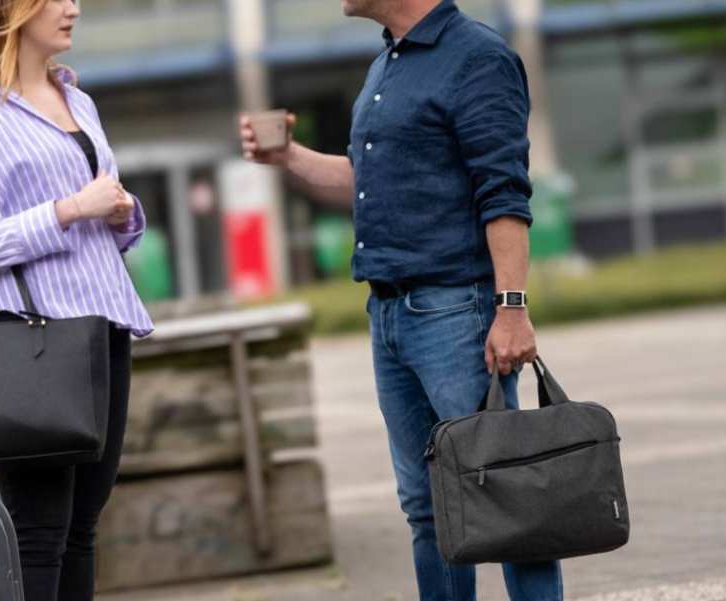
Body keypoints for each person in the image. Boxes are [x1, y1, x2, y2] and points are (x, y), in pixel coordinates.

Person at [236, 0, 554, 598]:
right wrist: (289, 157)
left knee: (501, 496)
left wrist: (512, 308)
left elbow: (504, 192)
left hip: (455, 313)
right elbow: (369, 178)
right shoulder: (388, 63)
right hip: (389, 314)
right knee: (428, 507)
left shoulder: (477, 59)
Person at [0, 0, 153, 596]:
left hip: (102, 330)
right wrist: (74, 209)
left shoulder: (79, 101)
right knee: (39, 531)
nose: (75, 9)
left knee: (83, 524)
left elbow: (110, 217)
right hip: (30, 342)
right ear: (12, 9)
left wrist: (124, 212)